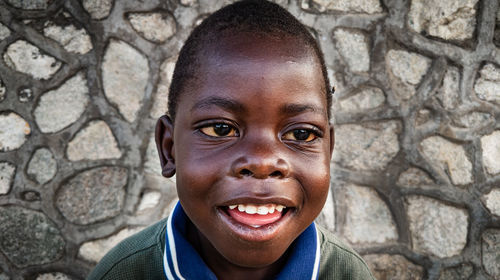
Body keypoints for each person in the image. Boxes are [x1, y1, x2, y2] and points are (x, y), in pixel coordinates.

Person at [87, 0, 374, 279]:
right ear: (169, 148)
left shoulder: (347, 274)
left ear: (328, 150)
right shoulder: (124, 273)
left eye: (301, 134)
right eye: (220, 130)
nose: (262, 163)